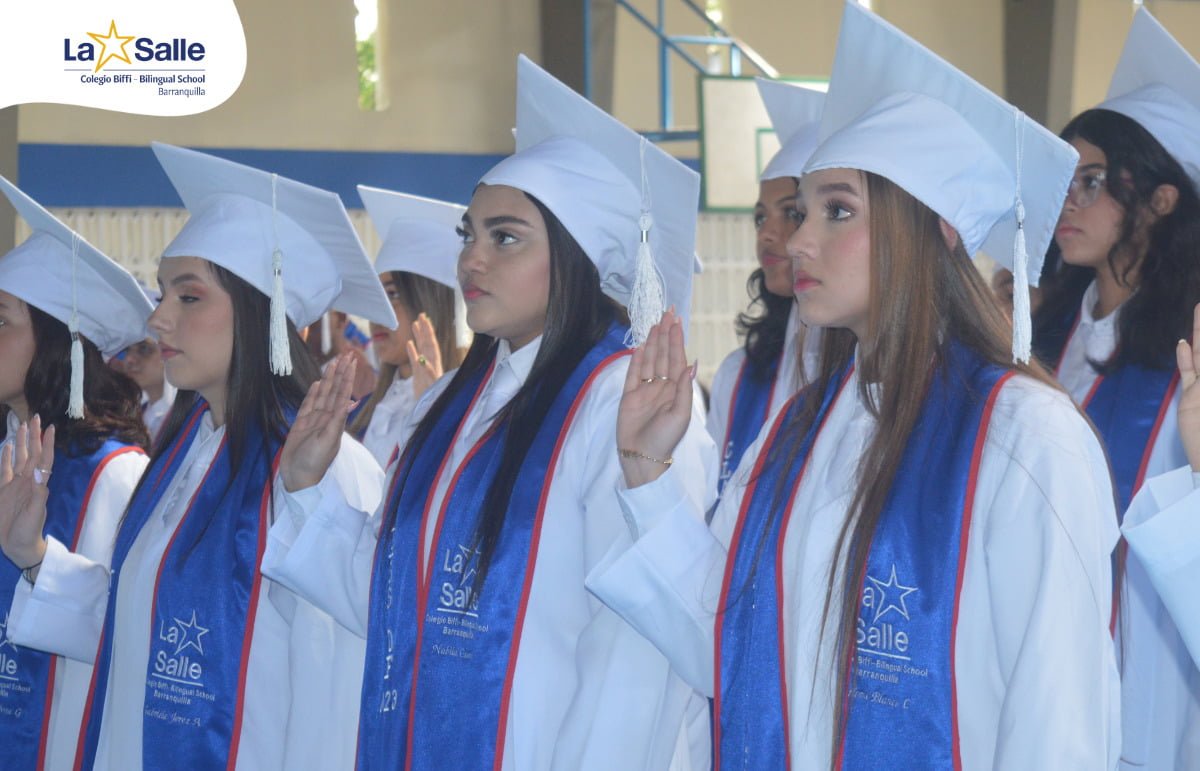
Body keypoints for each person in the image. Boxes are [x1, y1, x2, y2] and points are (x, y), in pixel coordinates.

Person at [588, 4, 1120, 768]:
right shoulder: (800, 427)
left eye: (838, 210)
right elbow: (727, 640)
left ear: (932, 227)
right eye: (803, 211)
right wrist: (645, 473)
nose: (799, 240)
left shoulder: (1025, 435)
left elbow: (1058, 723)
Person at [264, 56, 716, 770]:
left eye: (505, 237)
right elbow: (404, 605)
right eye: (468, 234)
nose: (473, 259)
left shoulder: (626, 401)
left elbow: (637, 664)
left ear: (575, 257)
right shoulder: (459, 407)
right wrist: (308, 489)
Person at [0, 143, 396, 770]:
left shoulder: (327, 471)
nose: (156, 321)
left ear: (260, 314)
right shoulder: (184, 458)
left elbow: (340, 691)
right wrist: (35, 556)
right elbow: (139, 630)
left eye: (188, 298)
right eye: (163, 295)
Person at [1029, 10, 1200, 768]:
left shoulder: (1187, 354)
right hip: (1041, 666)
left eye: (1093, 181)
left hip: (1151, 685)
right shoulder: (1044, 332)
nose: (1069, 200)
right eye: (1063, 179)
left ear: (1162, 201)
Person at [0, 176, 152, 771]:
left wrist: (36, 554)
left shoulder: (117, 476)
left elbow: (126, 631)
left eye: (1, 320)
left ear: (58, 344)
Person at [706, 79, 822, 496]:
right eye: (760, 218)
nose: (768, 235)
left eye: (792, 213)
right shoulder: (737, 376)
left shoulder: (872, 376)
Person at [350, 186, 469, 466]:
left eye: (392, 295)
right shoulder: (362, 413)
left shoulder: (469, 407)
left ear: (429, 304)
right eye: (376, 297)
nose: (378, 313)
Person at [119, 337, 177, 444]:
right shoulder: (135, 414)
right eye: (127, 350)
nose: (129, 360)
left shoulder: (186, 418)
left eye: (144, 349)